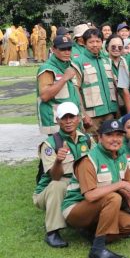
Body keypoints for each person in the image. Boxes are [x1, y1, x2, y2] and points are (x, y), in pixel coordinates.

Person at [61, 120, 130, 258]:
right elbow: (90, 196)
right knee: (113, 197)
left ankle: (89, 233)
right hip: (76, 209)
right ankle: (97, 249)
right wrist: (120, 185)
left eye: (119, 135)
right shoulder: (88, 160)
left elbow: (129, 184)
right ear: (99, 137)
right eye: (109, 135)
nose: (115, 139)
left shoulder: (121, 155)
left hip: (100, 209)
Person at [33, 102, 92, 248]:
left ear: (78, 118)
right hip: (52, 188)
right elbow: (54, 176)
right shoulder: (50, 144)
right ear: (57, 120)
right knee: (57, 185)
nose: (68, 121)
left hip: (78, 183)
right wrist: (58, 161)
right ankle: (52, 232)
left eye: (71, 117)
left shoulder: (87, 139)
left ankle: (85, 224)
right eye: (64, 118)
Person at [72, 28, 118, 136]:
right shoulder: (78, 62)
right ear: (84, 43)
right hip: (92, 116)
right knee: (93, 142)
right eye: (91, 42)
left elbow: (115, 87)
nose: (95, 45)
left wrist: (117, 111)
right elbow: (75, 89)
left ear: (102, 42)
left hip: (110, 113)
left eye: (98, 41)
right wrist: (83, 115)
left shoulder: (107, 60)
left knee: (111, 140)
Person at [37, 35, 83, 134]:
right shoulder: (47, 69)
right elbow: (44, 96)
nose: (67, 52)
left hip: (71, 120)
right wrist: (64, 78)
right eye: (62, 49)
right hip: (56, 123)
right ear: (53, 49)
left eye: (69, 49)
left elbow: (76, 92)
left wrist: (82, 114)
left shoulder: (70, 65)